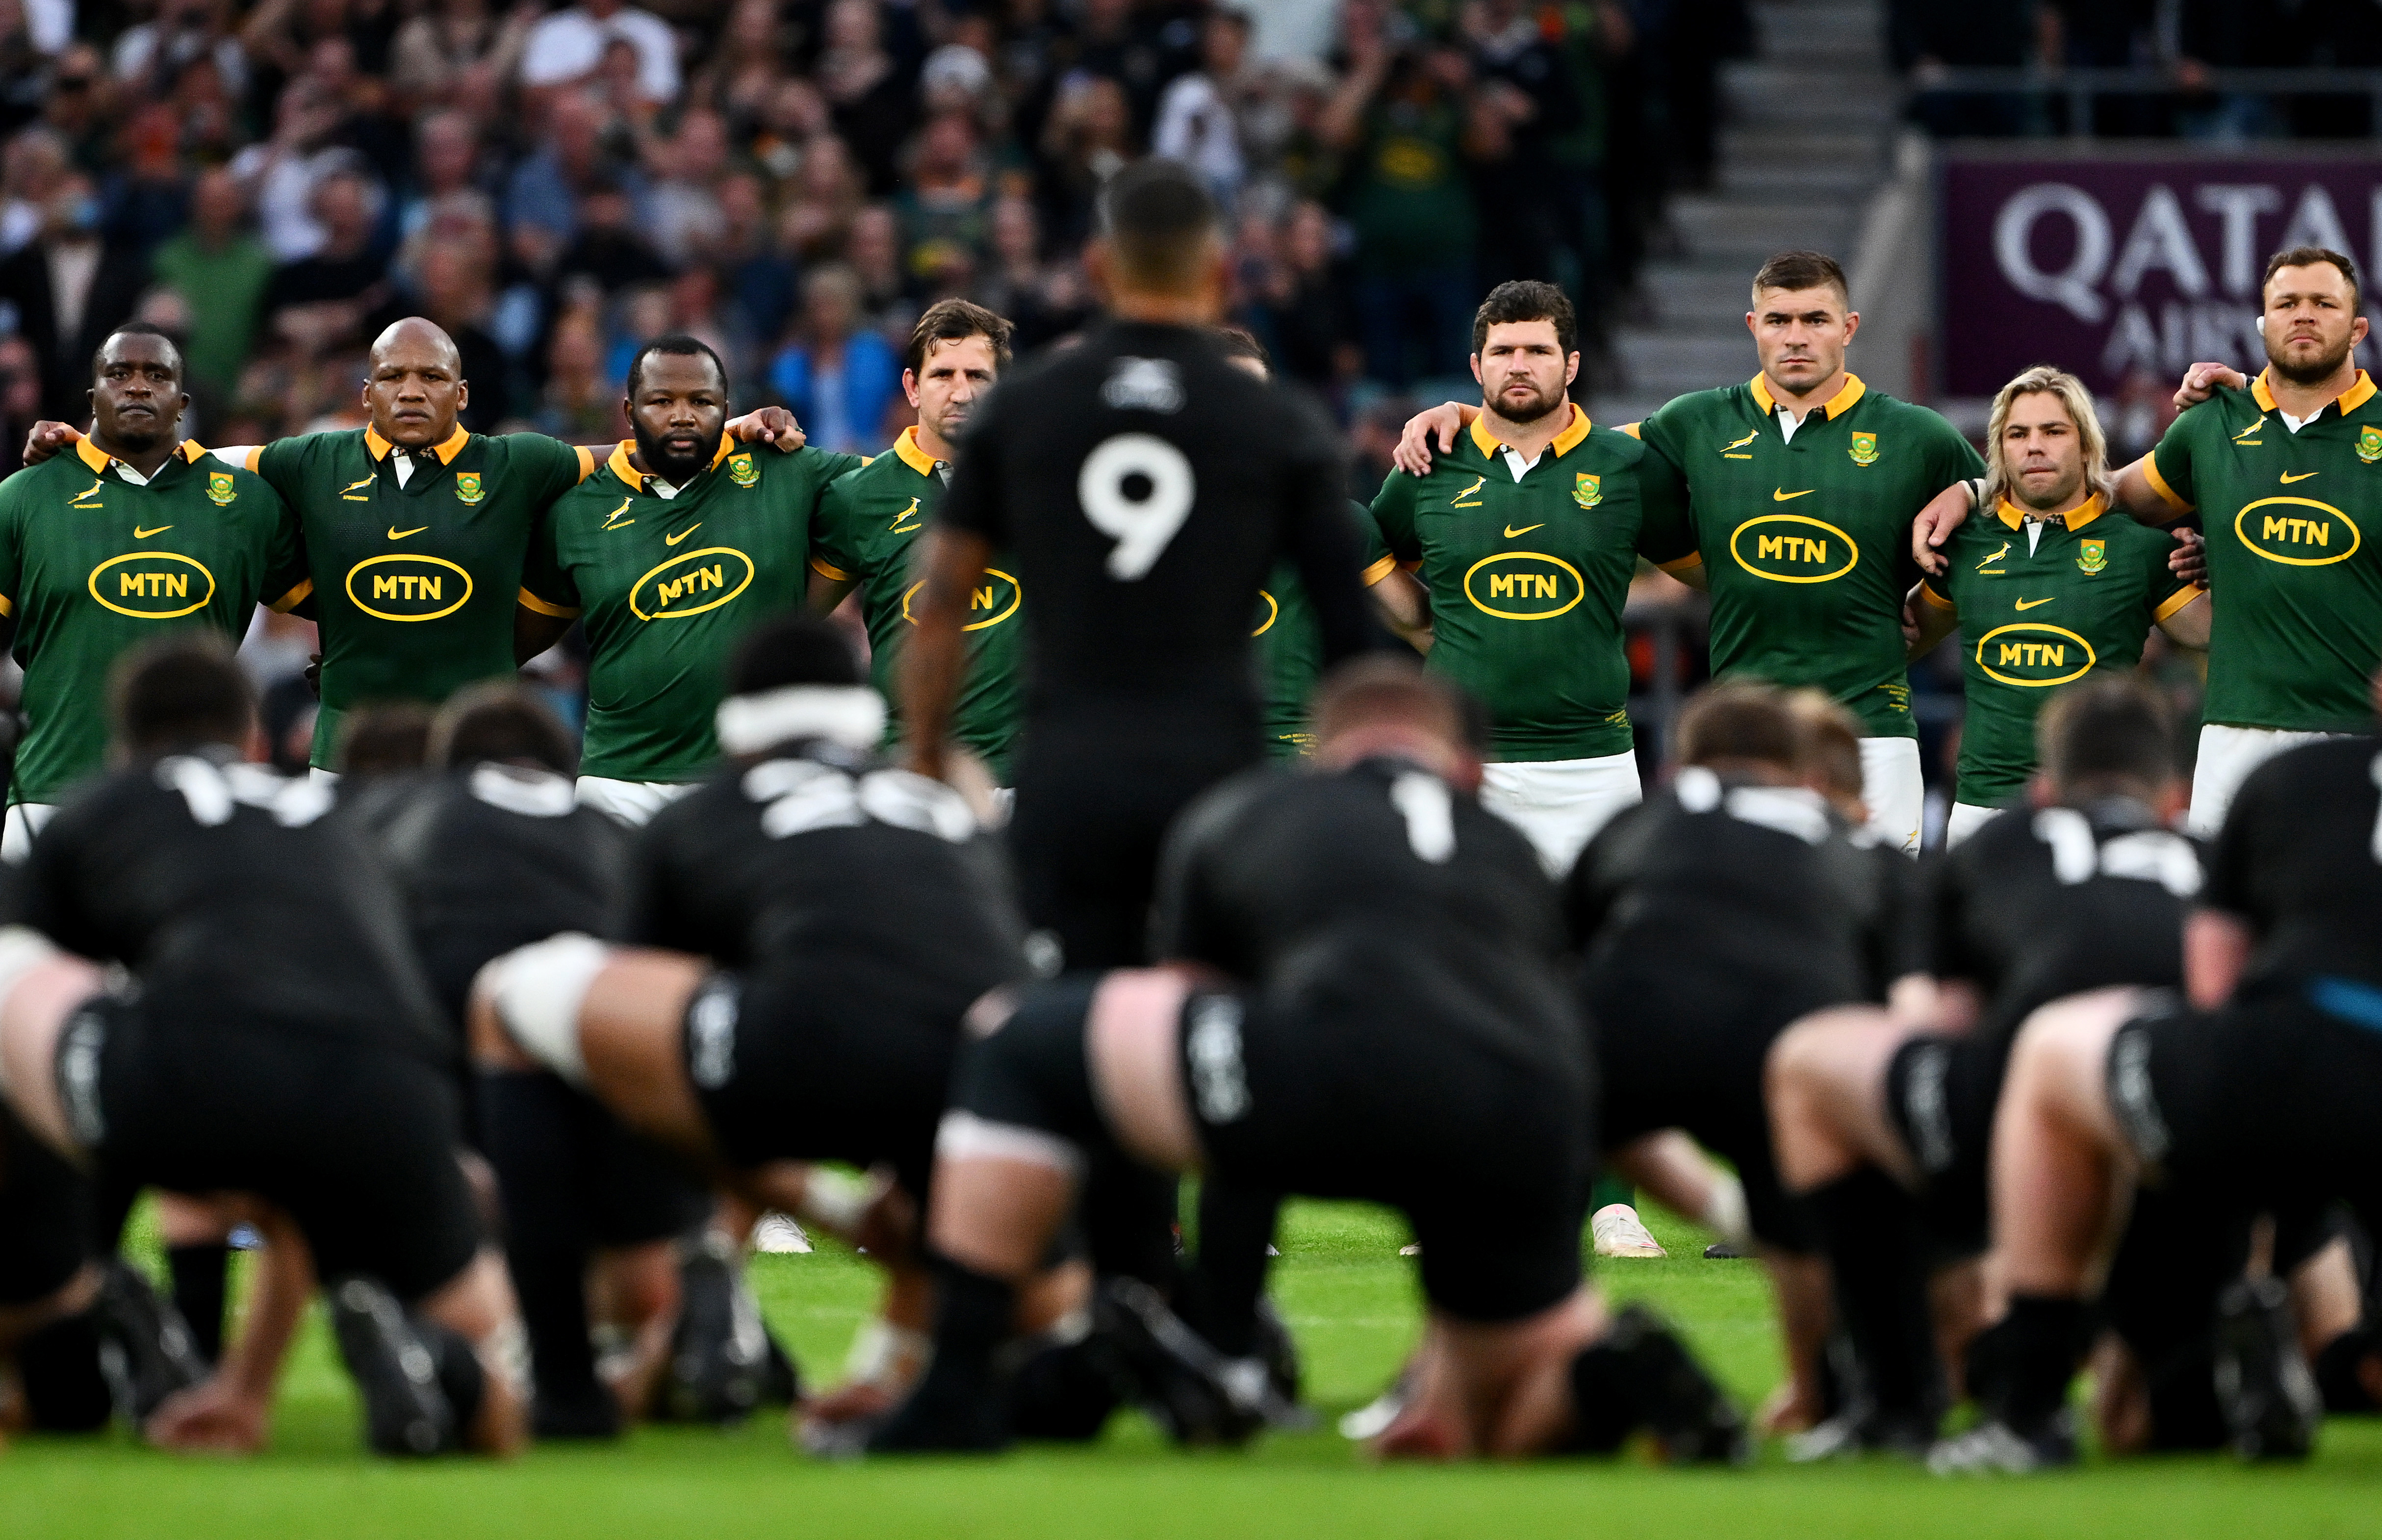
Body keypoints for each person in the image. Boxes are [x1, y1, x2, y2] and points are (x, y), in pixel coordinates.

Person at [869, 658, 1746, 1459]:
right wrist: (1722, 1206)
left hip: (1314, 1075)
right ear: (1467, 770)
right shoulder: (1510, 850)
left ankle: (1147, 1356)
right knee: (1500, 1406)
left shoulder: (1253, 811)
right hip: (1511, 1105)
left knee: (1019, 1044)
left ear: (1321, 753)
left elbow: (1192, 1001)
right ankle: (1594, 1379)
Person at [467, 616, 1057, 1436]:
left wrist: (814, 1205)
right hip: (988, 1093)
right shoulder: (942, 806)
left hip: (786, 1054)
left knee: (508, 1002)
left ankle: (572, 1384)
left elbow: (640, 1073)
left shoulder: (700, 814)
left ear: (737, 724)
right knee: (1042, 1302)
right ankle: (902, 1366)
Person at [0, 636, 527, 1457]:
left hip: (192, 1065)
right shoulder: (338, 823)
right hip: (392, 1080)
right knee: (499, 1403)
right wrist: (249, 1394)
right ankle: (442, 1366)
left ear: (124, 742)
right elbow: (297, 1174)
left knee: (17, 976)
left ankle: (66, 1312)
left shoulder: (102, 808)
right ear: (251, 737)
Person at [901, 157, 1376, 974]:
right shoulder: (1275, 419)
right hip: (1218, 773)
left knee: (1075, 1007)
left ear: (1096, 269)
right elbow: (1351, 637)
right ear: (1219, 273)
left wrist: (924, 755)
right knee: (1209, 1011)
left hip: (1067, 773)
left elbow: (941, 604)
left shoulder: (1025, 408)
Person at [19, 318, 802, 779]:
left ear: (462, 394)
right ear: (367, 394)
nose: (413, 391)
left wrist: (730, 432)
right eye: (394, 377)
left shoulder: (518, 463)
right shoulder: (311, 459)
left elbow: (627, 455)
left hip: (479, 756)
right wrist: (82, 444)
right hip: (345, 756)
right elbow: (196, 460)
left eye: (432, 377)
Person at [1932, 680, 2382, 1472]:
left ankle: (2029, 1404)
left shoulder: (2297, 777)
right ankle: (2334, 1358)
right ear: (2171, 799)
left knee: (2054, 1052)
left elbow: (2218, 990)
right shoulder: (2193, 840)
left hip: (2283, 1071)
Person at [1399, 251, 1988, 853]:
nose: (1796, 337)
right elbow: (1566, 441)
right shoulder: (1695, 422)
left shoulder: (1918, 436)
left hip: (1872, 733)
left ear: (1850, 327)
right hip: (1740, 737)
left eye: (1815, 319)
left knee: (1876, 904)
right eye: (1779, 320)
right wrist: (1465, 414)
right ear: (1753, 326)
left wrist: (1968, 506)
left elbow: (2016, 511)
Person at [1767, 678, 2206, 1456]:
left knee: (1808, 1063)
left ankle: (1896, 1398)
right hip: (2191, 1122)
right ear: (2174, 799)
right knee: (2136, 1426)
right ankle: (2259, 1340)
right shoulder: (2207, 857)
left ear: (2043, 790)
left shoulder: (1999, 844)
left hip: (2024, 1116)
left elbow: (1938, 1022)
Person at [344, 683, 717, 1438]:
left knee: (433, 1210)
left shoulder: (406, 809)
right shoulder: (611, 830)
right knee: (639, 1270)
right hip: (609, 1020)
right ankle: (691, 1313)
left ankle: (457, 1351)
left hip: (444, 1018)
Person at [1912, 247, 2382, 837]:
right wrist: (1977, 490)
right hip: (2234, 730)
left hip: (2359, 727)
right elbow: (2093, 492)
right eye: (2288, 303)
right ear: (2263, 323)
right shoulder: (2212, 424)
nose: (2304, 314)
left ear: (2358, 328)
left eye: (2323, 303)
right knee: (2221, 892)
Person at [1565, 681, 1921, 1437]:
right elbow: (1903, 1003)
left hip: (1635, 1025)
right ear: (1802, 773)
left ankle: (1488, 1371)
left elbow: (1561, 952)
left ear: (1681, 766)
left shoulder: (1642, 819)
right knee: (1805, 1226)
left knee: (1537, 1139)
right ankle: (1820, 1392)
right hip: (1790, 1048)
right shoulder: (1857, 845)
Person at [1367, 279, 1666, 873]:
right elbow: (1374, 564)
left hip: (1593, 767)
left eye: (1538, 351)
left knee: (1595, 928)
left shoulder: (1628, 465)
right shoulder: (1428, 463)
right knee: (1464, 926)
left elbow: (1702, 570)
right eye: (1503, 352)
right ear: (1477, 366)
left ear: (1571, 365)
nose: (1519, 365)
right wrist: (1426, 630)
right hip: (1465, 760)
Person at [518, 335, 863, 826]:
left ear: (727, 409)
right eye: (662, 402)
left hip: (752, 775)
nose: (682, 416)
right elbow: (514, 642)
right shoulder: (576, 512)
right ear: (629, 411)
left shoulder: (785, 468)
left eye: (701, 402)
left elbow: (894, 488)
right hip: (620, 784)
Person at [0, 324, 308, 861]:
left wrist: (340, 662)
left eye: (157, 375)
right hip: (51, 792)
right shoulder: (24, 496)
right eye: (119, 374)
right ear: (92, 397)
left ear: (182, 402)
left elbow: (332, 607)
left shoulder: (248, 503)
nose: (138, 386)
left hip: (197, 803)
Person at [1903, 368, 2209, 845]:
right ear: (1999, 449)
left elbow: (2225, 634)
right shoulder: (1963, 544)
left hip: (2097, 808)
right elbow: (1897, 642)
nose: (2034, 446)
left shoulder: (2141, 549)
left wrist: (2225, 562)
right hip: (1979, 808)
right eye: (2017, 434)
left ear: (2086, 445)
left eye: (2053, 431)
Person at [808, 300, 1026, 787]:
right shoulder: (857, 496)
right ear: (912, 387)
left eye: (978, 376)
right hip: (907, 773)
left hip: (1026, 773)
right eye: (943, 375)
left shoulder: (1041, 482)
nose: (961, 392)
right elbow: (801, 616)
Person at [1205, 325, 1426, 761]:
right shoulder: (1136, 527)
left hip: (1302, 755)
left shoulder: (1338, 519)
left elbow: (1421, 626)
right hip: (1192, 751)